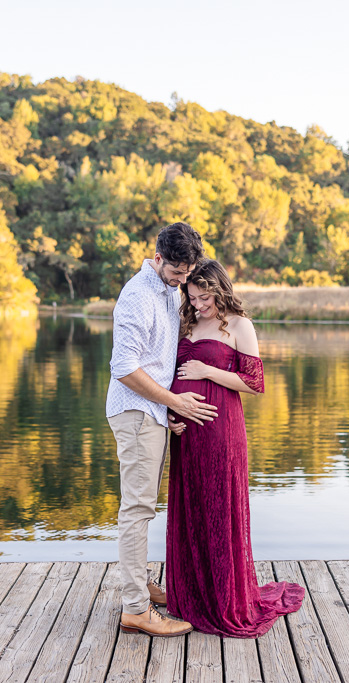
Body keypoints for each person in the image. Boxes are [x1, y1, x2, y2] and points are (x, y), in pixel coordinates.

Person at [166, 259, 304, 638]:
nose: (198, 305)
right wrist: (171, 414)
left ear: (219, 289)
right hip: (186, 435)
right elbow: (170, 375)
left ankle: (222, 598)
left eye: (204, 297)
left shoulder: (240, 325)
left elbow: (254, 382)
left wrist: (206, 371)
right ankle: (190, 596)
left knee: (218, 509)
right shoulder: (188, 323)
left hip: (220, 431)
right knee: (190, 511)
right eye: (192, 298)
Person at [106, 222, 218, 637]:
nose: (182, 279)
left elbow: (158, 359)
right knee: (136, 510)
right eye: (175, 271)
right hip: (135, 413)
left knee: (145, 506)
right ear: (157, 258)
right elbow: (124, 369)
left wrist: (167, 402)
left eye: (187, 272)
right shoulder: (137, 297)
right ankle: (135, 608)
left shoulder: (171, 290)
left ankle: (141, 586)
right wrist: (172, 400)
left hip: (152, 410)